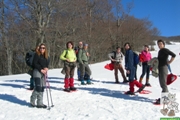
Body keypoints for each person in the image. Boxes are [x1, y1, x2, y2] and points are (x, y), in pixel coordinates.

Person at [155, 40, 176, 104]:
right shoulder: (160, 51)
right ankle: (165, 97)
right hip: (160, 68)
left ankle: (165, 99)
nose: (159, 45)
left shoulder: (164, 50)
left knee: (163, 84)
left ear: (163, 44)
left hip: (163, 68)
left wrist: (169, 62)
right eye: (158, 44)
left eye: (161, 44)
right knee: (162, 84)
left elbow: (173, 55)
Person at [30, 43, 49, 108]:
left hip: (43, 73)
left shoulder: (46, 56)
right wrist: (41, 69)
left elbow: (46, 65)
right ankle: (32, 100)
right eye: (41, 48)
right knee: (38, 87)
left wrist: (46, 68)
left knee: (42, 88)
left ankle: (39, 103)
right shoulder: (36, 55)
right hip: (37, 72)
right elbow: (35, 64)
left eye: (43, 48)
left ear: (45, 49)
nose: (42, 49)